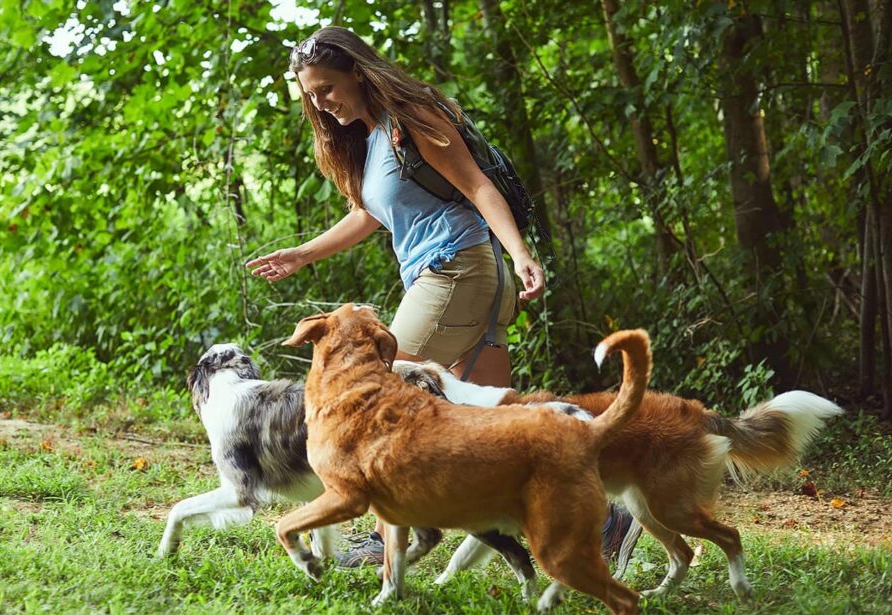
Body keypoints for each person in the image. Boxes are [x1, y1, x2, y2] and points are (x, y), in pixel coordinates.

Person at [245, 26, 640, 574]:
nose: (321, 103)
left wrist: (521, 253)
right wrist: (302, 254)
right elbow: (367, 215)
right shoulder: (372, 139)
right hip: (461, 277)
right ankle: (608, 520)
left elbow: (477, 185)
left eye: (327, 88)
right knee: (494, 419)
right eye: (311, 95)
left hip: (457, 269)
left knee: (378, 389)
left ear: (357, 71)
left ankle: (389, 538)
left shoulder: (410, 118)